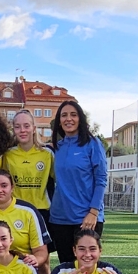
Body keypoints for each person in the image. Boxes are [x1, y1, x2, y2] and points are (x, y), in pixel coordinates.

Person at [49, 100, 108, 264]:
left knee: (86, 267)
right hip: (60, 218)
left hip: (86, 218)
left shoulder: (93, 144)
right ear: (59, 121)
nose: (69, 119)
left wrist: (93, 212)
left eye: (73, 115)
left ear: (80, 119)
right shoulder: (57, 147)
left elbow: (101, 179)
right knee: (67, 268)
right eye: (64, 115)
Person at [5, 110, 55, 224]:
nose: (22, 130)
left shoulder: (47, 153)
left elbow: (61, 181)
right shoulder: (8, 155)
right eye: (17, 127)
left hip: (43, 211)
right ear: (14, 130)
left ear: (33, 128)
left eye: (26, 126)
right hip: (16, 209)